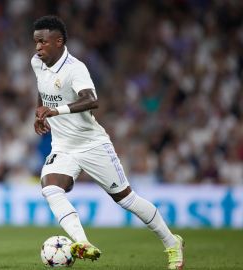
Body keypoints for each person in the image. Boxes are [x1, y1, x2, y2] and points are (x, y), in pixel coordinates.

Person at [30, 15, 184, 270]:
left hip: (92, 144)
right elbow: (42, 87)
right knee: (50, 187)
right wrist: (40, 111)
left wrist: (55, 111)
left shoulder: (75, 68)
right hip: (63, 147)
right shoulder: (37, 63)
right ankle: (82, 243)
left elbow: (91, 99)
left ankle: (172, 242)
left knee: (126, 199)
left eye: (43, 42)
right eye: (35, 42)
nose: (37, 48)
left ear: (58, 42)